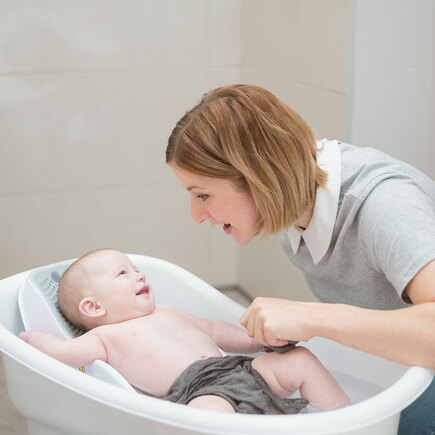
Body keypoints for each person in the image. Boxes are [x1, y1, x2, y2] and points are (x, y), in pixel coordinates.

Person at [166, 84, 435, 432]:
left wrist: (313, 317)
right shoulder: (289, 208)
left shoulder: (383, 204)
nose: (196, 216)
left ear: (259, 177)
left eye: (202, 194)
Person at [19, 248, 350, 414]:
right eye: (124, 273)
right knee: (209, 420)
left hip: (242, 371)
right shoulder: (105, 338)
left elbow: (215, 330)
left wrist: (257, 340)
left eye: (136, 270)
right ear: (93, 308)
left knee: (300, 360)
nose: (140, 276)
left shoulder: (166, 312)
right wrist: (27, 340)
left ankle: (346, 420)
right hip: (200, 392)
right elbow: (65, 355)